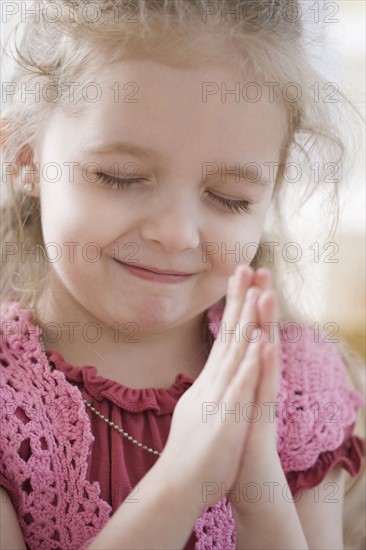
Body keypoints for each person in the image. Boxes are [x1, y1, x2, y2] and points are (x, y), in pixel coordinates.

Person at [1, 1, 365, 549]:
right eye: (120, 177)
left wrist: (255, 485)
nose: (175, 234)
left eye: (229, 198)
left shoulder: (296, 383)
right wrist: (181, 484)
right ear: (25, 156)